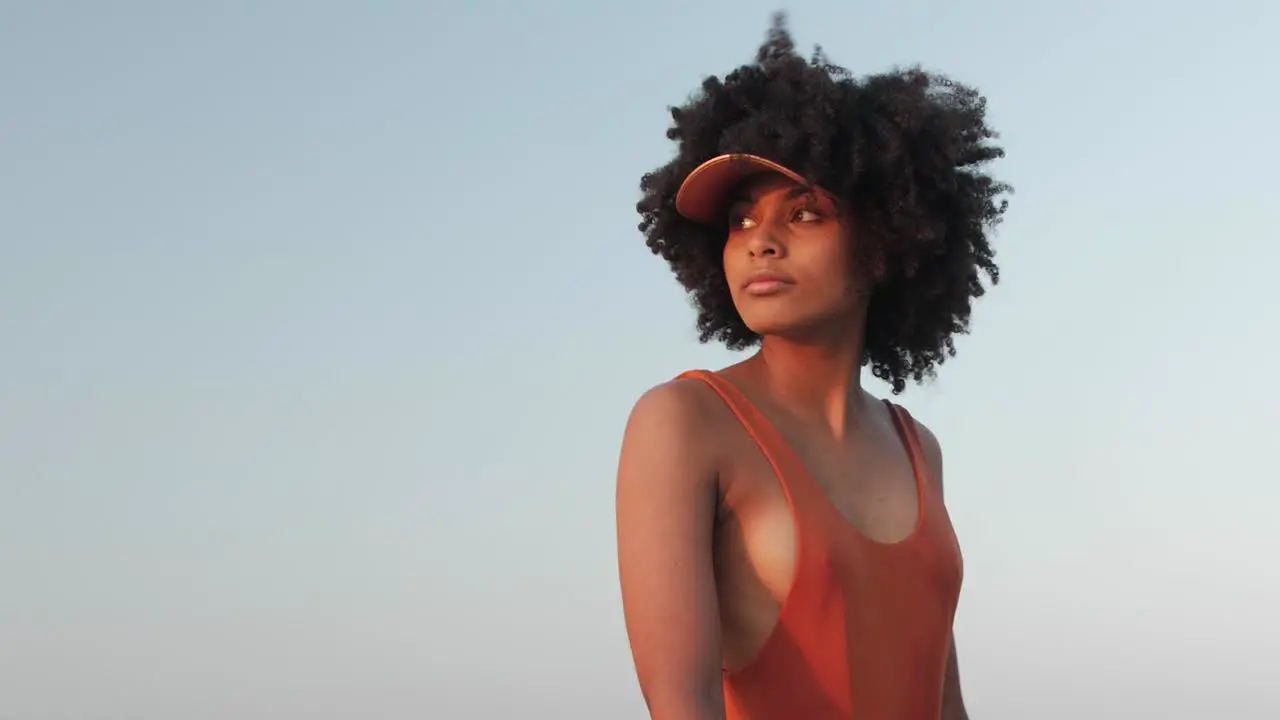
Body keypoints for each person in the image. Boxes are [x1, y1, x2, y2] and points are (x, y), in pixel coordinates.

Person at [615, 14, 1011, 720]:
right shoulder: (683, 423)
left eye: (804, 214)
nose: (760, 241)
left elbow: (943, 699)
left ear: (889, 239)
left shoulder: (919, 448)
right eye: (740, 220)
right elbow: (682, 700)